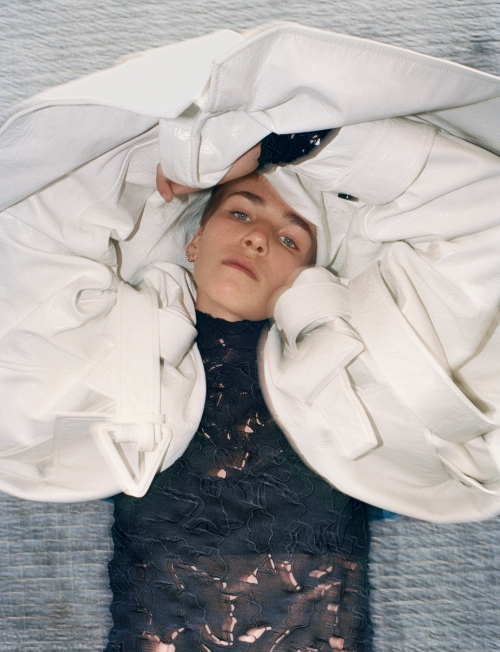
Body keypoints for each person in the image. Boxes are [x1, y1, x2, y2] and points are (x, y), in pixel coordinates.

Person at [105, 171, 372, 652]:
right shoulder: (127, 335)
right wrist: (184, 166)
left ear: (305, 277)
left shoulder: (338, 363)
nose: (258, 238)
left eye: (289, 239)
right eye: (241, 213)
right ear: (194, 240)